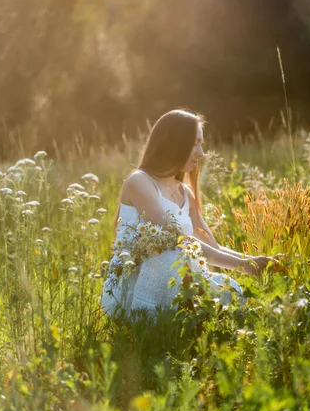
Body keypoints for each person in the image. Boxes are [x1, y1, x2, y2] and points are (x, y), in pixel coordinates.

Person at [101, 109, 276, 318]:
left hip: (181, 278)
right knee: (169, 255)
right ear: (173, 143)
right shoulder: (139, 182)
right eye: (194, 144)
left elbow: (212, 247)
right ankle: (155, 323)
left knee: (232, 292)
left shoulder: (185, 193)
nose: (201, 153)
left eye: (201, 143)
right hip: (136, 283)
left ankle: (197, 320)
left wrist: (256, 262)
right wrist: (245, 266)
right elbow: (178, 239)